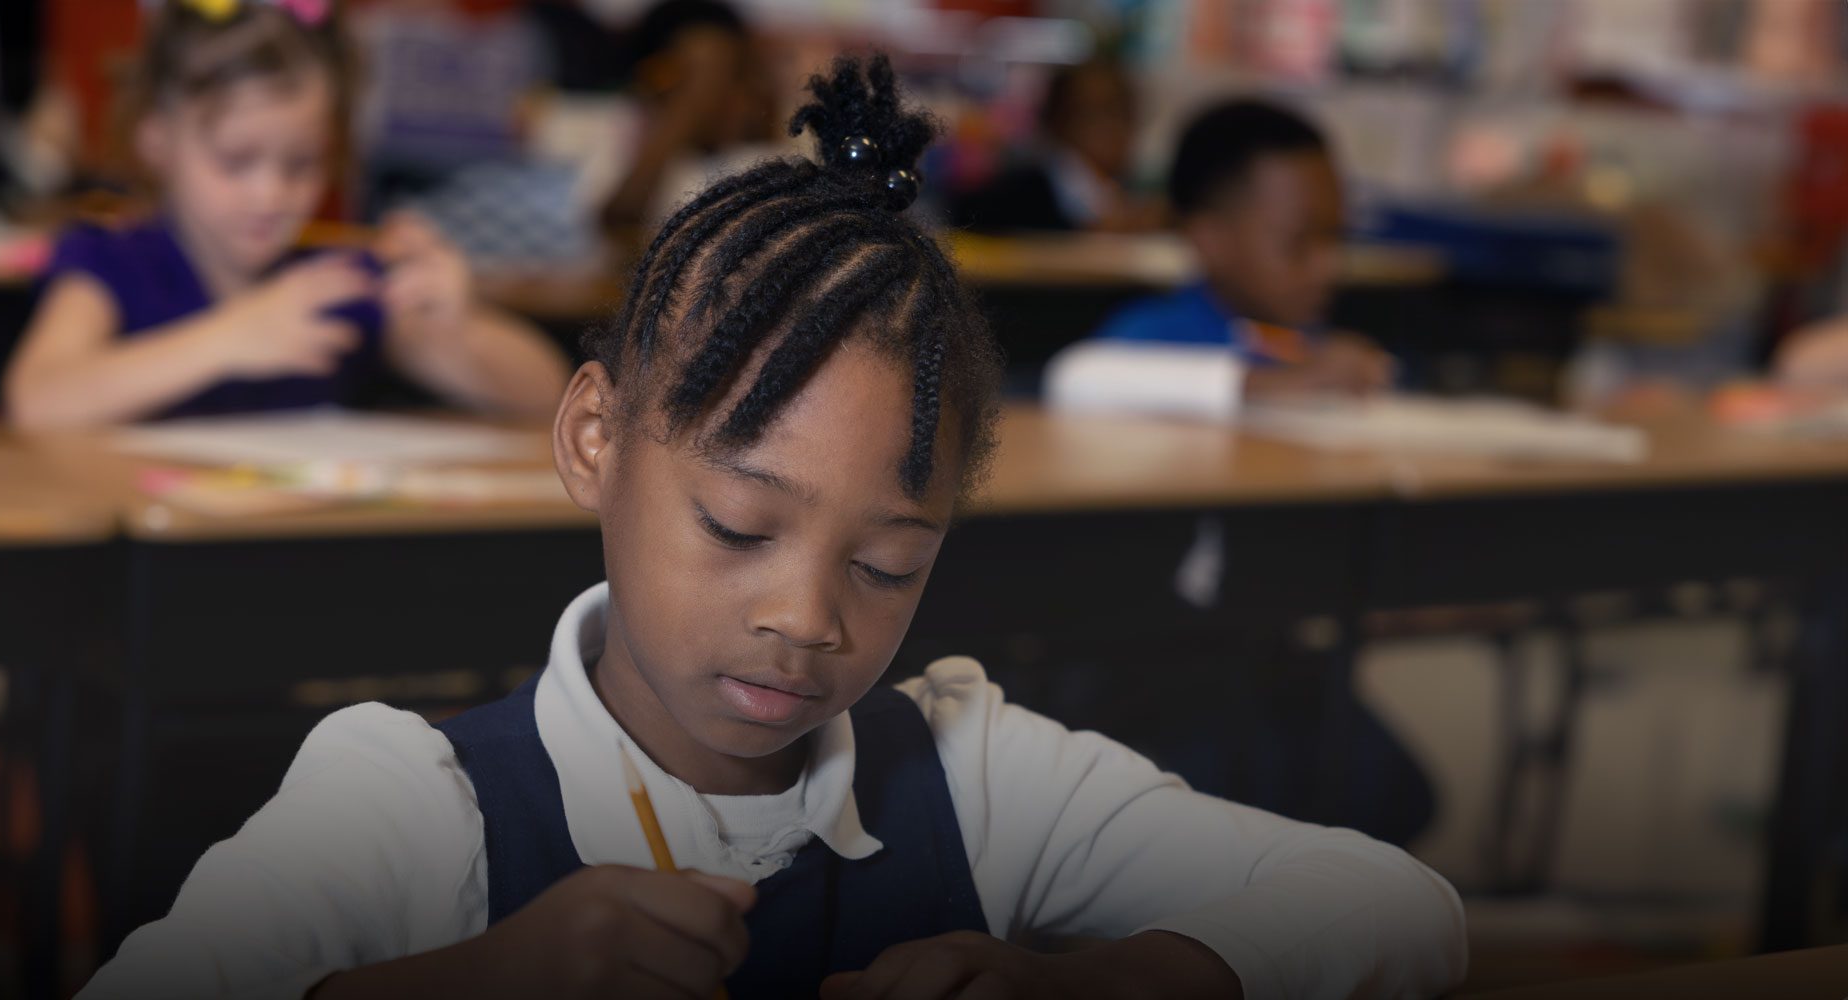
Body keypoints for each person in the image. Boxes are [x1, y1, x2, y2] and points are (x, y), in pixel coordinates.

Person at [81, 58, 1467, 1000]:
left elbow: (1399, 908)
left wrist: (1114, 974)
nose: (807, 620)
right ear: (594, 440)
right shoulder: (416, 800)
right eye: (738, 525)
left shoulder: (975, 775)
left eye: (886, 565)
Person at [2, 0, 568, 428]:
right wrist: (228, 339)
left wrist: (460, 328)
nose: (270, 194)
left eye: (301, 164)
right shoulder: (110, 261)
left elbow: (551, 399)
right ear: (157, 139)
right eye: (236, 161)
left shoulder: (335, 281)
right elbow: (39, 401)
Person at [1054, 99, 1393, 418]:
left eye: (1336, 237)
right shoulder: (1151, 332)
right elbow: (1079, 377)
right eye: (1297, 243)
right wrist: (1271, 384)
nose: (1327, 266)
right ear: (1210, 239)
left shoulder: (1304, 342)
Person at [598, 0, 778, 230]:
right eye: (704, 80)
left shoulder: (764, 164)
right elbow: (619, 216)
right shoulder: (609, 139)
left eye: (731, 75)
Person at [949, 57, 1160, 234]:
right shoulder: (1015, 196)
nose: (1110, 128)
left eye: (1120, 112)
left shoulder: (1132, 196)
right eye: (1089, 114)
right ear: (1055, 121)